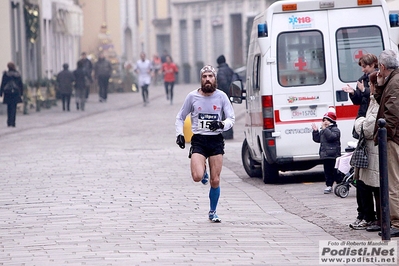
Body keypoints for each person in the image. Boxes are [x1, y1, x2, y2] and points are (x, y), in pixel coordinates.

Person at [175, 65, 235, 223]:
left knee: (215, 180)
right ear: (201, 79)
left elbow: (231, 118)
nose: (207, 79)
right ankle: (203, 171)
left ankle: (213, 211)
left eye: (210, 76)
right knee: (197, 176)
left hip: (215, 141)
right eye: (204, 76)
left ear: (215, 78)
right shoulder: (192, 97)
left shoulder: (221, 96)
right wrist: (179, 135)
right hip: (199, 140)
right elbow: (180, 117)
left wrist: (222, 125)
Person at [373, 49, 399, 237]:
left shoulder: (395, 83)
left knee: (393, 182)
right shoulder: (392, 81)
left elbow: (392, 114)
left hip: (393, 139)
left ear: (382, 66)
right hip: (393, 137)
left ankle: (396, 222)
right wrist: (380, 85)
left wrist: (385, 136)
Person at [350, 71, 380, 231]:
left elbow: (368, 127)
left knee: (372, 186)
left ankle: (373, 218)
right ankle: (366, 216)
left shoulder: (377, 100)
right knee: (362, 183)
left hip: (374, 148)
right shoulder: (372, 99)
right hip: (368, 148)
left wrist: (359, 122)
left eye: (371, 85)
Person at [342, 53, 378, 138]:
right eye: (362, 67)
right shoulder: (362, 79)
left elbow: (378, 93)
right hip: (364, 114)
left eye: (364, 67)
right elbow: (358, 101)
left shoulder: (380, 77)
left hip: (375, 114)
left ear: (372, 65)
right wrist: (353, 93)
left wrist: (364, 90)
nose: (362, 70)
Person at [311, 109, 342, 194]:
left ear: (331, 121)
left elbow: (332, 137)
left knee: (335, 171)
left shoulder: (335, 129)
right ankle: (329, 185)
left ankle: (340, 184)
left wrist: (325, 129)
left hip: (333, 154)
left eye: (327, 120)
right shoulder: (323, 130)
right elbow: (317, 139)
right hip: (325, 155)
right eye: (324, 120)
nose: (325, 122)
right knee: (327, 171)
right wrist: (315, 131)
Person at [216, 55, 235, 140]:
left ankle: (226, 134)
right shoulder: (230, 70)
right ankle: (230, 133)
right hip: (230, 95)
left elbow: (223, 83)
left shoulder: (220, 72)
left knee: (223, 114)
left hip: (224, 96)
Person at [0, 62, 23, 127]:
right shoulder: (17, 74)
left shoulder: (6, 74)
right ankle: (13, 122)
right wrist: (21, 93)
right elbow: (20, 84)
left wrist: (1, 93)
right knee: (14, 107)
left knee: (9, 107)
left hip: (8, 93)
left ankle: (9, 121)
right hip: (15, 93)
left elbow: (3, 84)